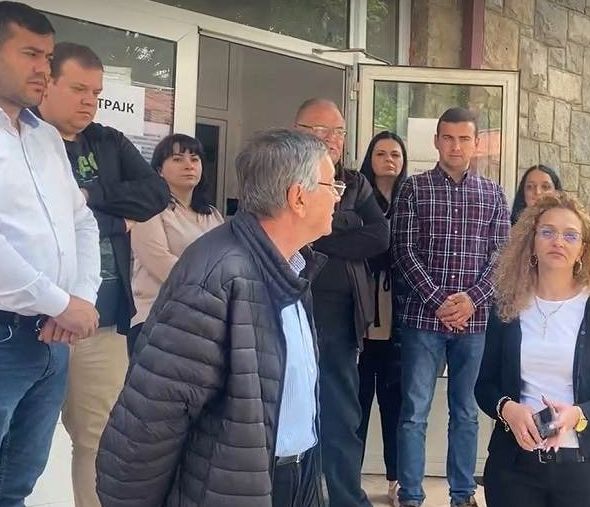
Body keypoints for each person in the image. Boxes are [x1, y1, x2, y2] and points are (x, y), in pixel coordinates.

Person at [96, 129, 342, 507]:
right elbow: (152, 418)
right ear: (298, 197)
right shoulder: (217, 276)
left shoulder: (291, 265)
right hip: (233, 487)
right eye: (332, 185)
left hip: (293, 474)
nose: (338, 196)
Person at [34, 42, 171, 507]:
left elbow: (155, 194)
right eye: (78, 89)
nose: (89, 101)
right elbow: (34, 219)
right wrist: (115, 219)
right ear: (46, 83)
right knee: (16, 439)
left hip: (102, 320)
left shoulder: (108, 141)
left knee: (100, 439)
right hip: (31, 321)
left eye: (95, 92)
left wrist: (87, 199)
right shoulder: (24, 140)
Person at [475, 191, 590, 507]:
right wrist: (508, 409)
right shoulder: (507, 307)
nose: (558, 241)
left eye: (570, 235)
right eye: (547, 232)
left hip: (585, 469)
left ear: (583, 249)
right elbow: (485, 386)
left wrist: (578, 414)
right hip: (514, 470)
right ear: (532, 242)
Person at [0, 3, 101, 503]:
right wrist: (61, 303)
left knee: (17, 483)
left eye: (48, 56)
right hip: (6, 333)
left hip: (50, 340)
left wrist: (79, 299)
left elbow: (82, 221)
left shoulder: (45, 138)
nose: (44, 67)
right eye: (30, 54)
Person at [392, 107, 510, 507]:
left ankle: (463, 494)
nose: (455, 146)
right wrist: (438, 300)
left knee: (466, 412)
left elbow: (501, 257)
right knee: (414, 412)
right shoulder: (414, 189)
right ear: (436, 141)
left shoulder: (493, 194)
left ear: (476, 144)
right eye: (448, 138)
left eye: (464, 139)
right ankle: (410, 495)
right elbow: (404, 250)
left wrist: (471, 300)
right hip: (422, 320)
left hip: (474, 323)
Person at [296, 98, 386, 507]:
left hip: (342, 314)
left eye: (339, 132)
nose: (333, 139)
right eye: (322, 131)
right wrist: (347, 225)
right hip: (293, 303)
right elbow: (287, 231)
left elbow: (380, 236)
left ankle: (346, 499)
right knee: (291, 408)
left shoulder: (354, 183)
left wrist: (322, 237)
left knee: (341, 413)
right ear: (299, 131)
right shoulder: (282, 175)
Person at [128, 134, 224, 354]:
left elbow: (227, 259)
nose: (189, 165)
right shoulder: (148, 208)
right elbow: (160, 262)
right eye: (178, 159)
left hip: (204, 322)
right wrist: (213, 284)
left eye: (195, 159)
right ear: (159, 170)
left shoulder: (212, 214)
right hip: (157, 318)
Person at [357, 130, 409, 503]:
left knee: (395, 406)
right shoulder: (357, 196)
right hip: (361, 317)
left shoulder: (410, 200)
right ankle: (348, 477)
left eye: (395, 154)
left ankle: (397, 479)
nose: (388, 160)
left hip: (399, 320)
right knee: (356, 406)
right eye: (381, 153)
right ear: (370, 159)